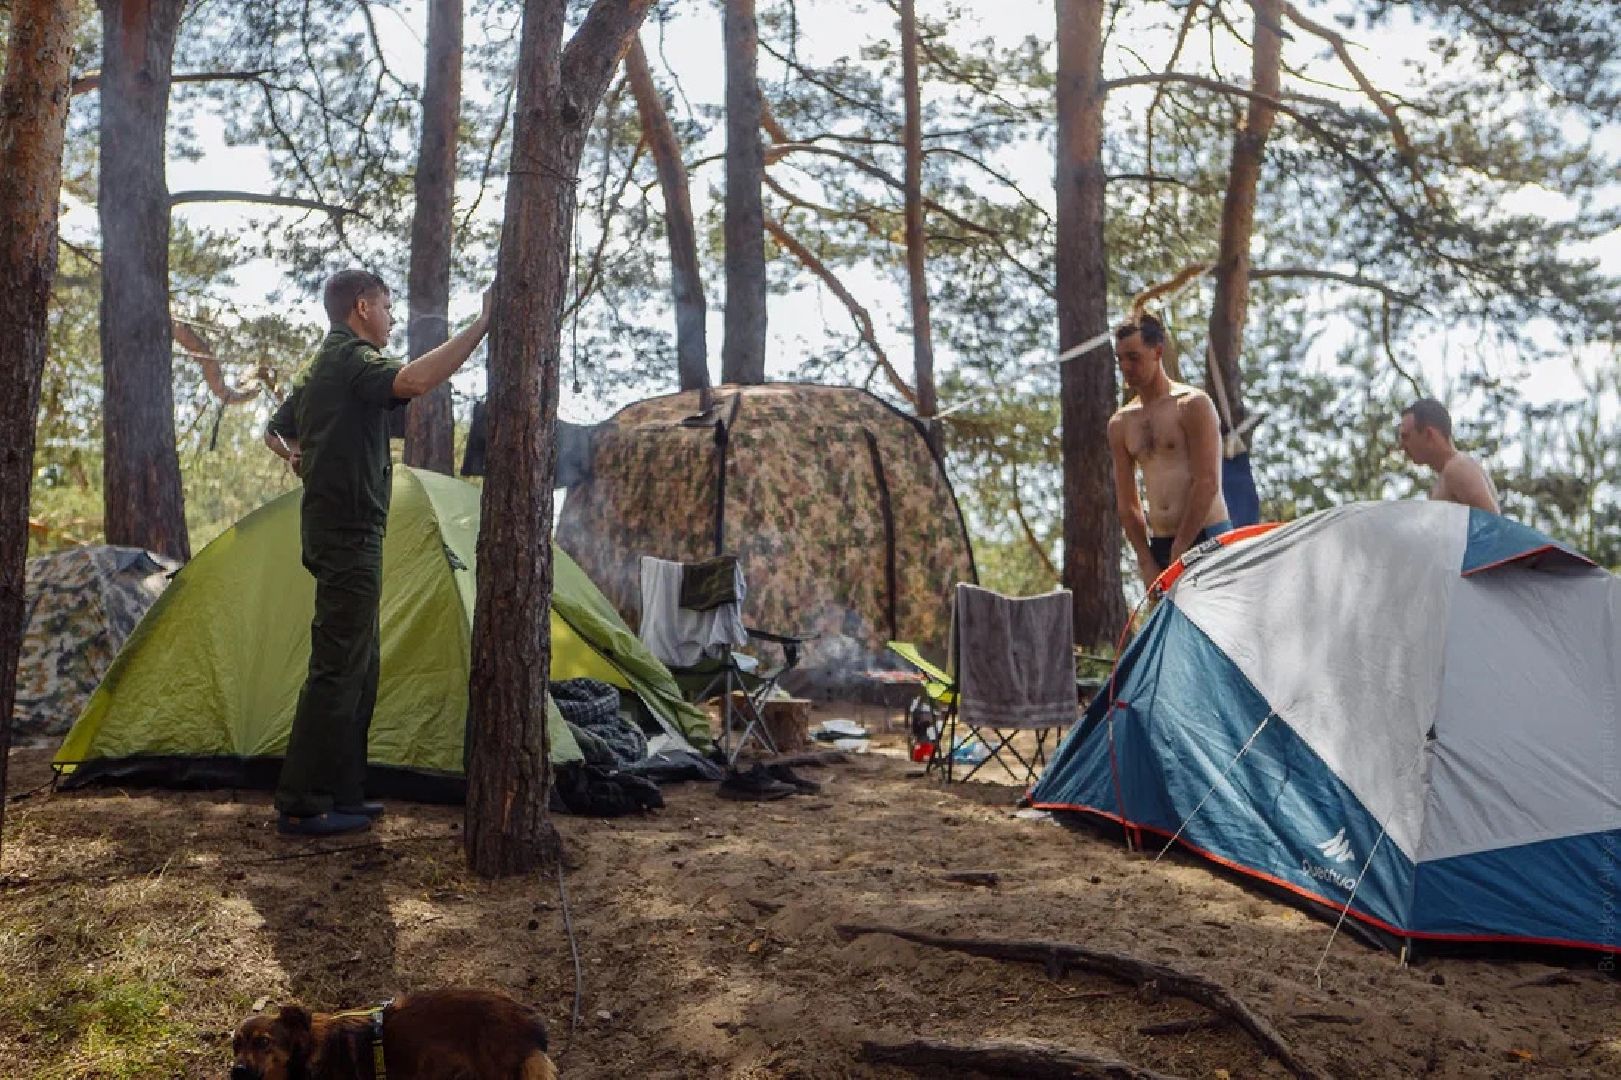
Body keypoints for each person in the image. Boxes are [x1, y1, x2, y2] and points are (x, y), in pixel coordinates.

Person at [264, 269, 491, 836]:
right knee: (339, 666)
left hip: (346, 530)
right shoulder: (349, 359)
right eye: (387, 307)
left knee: (360, 665)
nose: (391, 317)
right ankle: (301, 800)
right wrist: (482, 325)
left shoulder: (324, 366)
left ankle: (343, 790)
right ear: (362, 307)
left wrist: (298, 455)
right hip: (347, 534)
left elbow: (275, 428)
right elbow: (413, 382)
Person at [1106, 314, 1231, 589]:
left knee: (1211, 629)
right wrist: (1146, 559)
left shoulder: (1192, 405)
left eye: (1134, 357)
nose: (1126, 366)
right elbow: (1128, 503)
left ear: (1157, 352)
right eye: (1120, 359)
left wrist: (1181, 549)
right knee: (1169, 630)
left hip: (1206, 536)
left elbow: (1208, 482)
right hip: (1160, 545)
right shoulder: (1121, 423)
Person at [1397, 398, 1500, 514]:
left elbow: (1492, 524)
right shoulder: (1448, 473)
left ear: (1429, 435)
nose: (1401, 445)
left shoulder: (1457, 468)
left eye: (1406, 437)